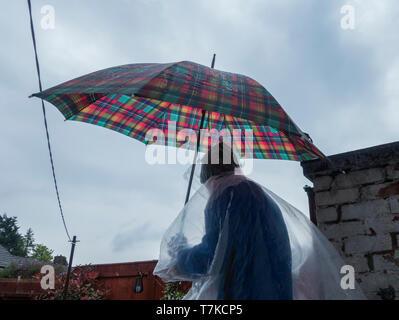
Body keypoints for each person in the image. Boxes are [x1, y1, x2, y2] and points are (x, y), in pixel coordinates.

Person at [153, 142, 366, 300]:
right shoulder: (259, 196)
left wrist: (179, 257)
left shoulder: (223, 196)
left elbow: (212, 256)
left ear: (208, 175)